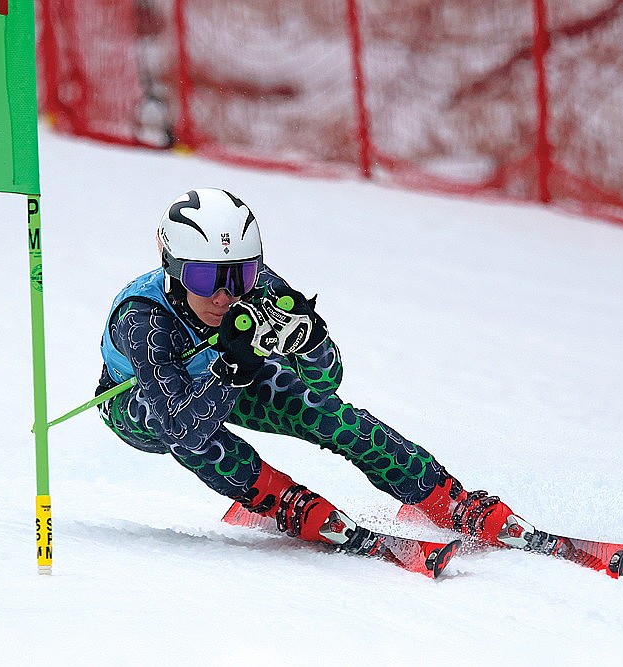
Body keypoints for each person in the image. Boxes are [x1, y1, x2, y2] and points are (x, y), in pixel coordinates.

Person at [97, 187, 536, 554]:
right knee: (194, 435)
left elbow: (327, 382)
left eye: (241, 274)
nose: (224, 296)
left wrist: (310, 344)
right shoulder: (143, 319)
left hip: (225, 376)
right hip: (141, 407)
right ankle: (282, 502)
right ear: (172, 269)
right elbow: (181, 428)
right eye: (205, 279)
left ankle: (445, 499)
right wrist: (234, 369)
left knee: (324, 413)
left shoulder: (261, 286)